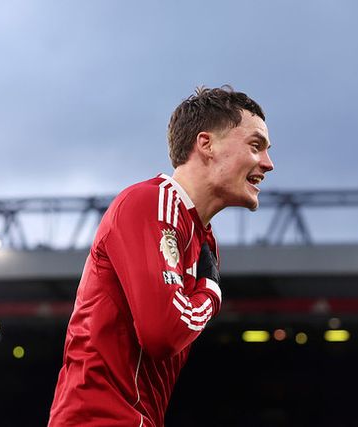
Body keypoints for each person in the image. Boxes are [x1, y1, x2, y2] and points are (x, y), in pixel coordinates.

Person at [48, 86, 274, 426]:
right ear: (206, 144)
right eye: (256, 146)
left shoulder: (202, 239)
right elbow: (163, 333)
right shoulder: (151, 203)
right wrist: (210, 295)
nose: (268, 164)